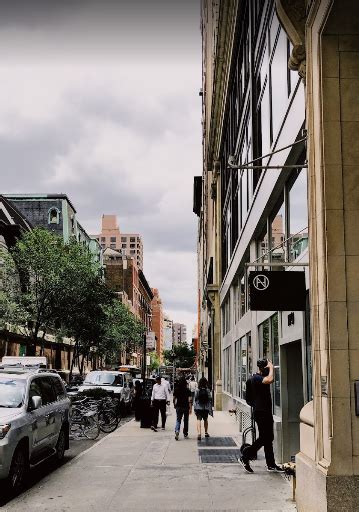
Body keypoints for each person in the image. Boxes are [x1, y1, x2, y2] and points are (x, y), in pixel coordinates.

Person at [239, 359, 284, 474]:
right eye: (267, 369)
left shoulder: (258, 378)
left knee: (269, 438)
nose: (269, 371)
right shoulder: (256, 378)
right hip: (261, 412)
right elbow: (270, 379)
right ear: (263, 369)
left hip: (266, 412)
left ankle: (271, 464)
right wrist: (272, 368)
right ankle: (245, 456)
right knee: (264, 437)